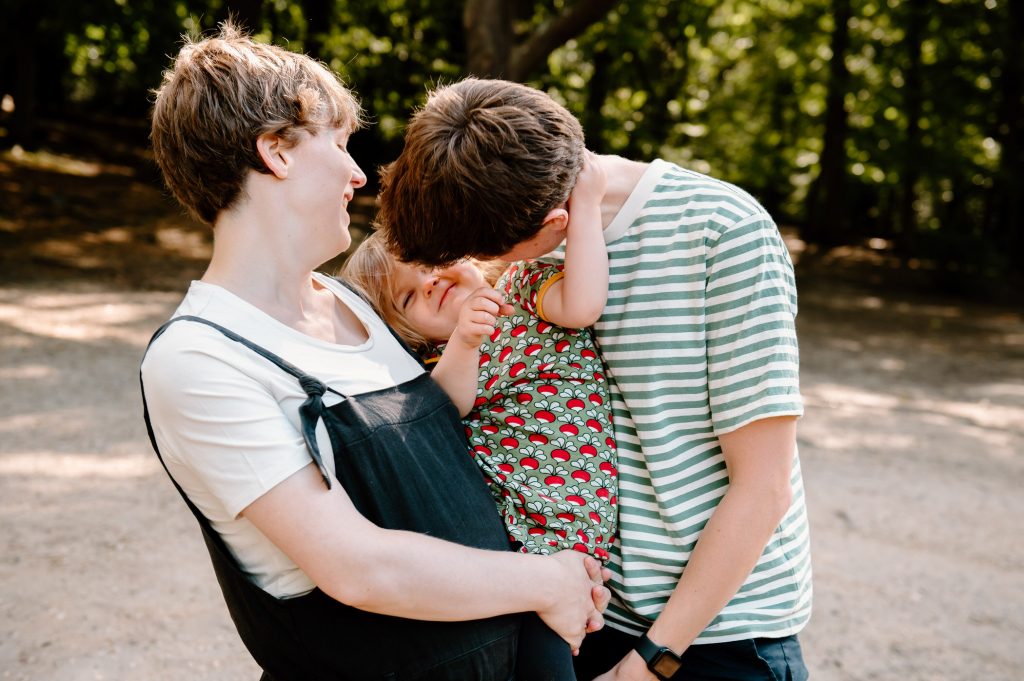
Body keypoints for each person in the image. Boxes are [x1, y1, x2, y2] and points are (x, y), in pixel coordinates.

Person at [140, 28, 610, 681]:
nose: (359, 173)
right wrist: (546, 580)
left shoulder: (351, 303)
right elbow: (358, 566)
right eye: (339, 143)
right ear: (276, 151)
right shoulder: (202, 357)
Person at [376, 77, 812, 681]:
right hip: (582, 609)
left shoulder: (723, 231)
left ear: (555, 222)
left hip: (710, 639)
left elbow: (763, 486)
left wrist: (652, 661)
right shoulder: (515, 242)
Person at [341, 152, 618, 679]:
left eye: (429, 260)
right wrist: (465, 342)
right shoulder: (441, 359)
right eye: (407, 295)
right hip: (513, 535)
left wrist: (585, 205)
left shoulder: (522, 288)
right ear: (411, 332)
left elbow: (582, 306)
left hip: (569, 525)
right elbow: (441, 415)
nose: (428, 281)